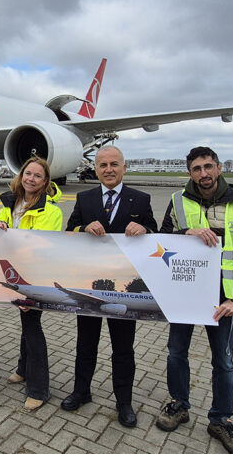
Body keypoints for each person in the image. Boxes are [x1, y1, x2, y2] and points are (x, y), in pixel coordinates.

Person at [156, 146, 233, 454]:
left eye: (207, 167)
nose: (203, 173)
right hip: (185, 294)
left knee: (224, 361)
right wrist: (186, 231)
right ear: (189, 173)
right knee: (176, 353)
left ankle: (220, 419)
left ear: (218, 168)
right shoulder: (178, 201)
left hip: (223, 299)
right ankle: (179, 404)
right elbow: (162, 242)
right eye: (196, 169)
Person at [63, 146, 157, 427]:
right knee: (86, 343)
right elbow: (70, 230)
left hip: (124, 290)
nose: (108, 169)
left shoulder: (140, 200)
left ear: (124, 167)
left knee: (123, 348)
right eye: (102, 165)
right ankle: (82, 391)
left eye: (114, 164)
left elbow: (155, 231)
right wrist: (83, 228)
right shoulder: (85, 198)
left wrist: (146, 230)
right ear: (97, 169)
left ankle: (124, 402)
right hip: (90, 285)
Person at [0, 156, 62, 410]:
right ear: (21, 176)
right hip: (14, 276)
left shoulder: (51, 211)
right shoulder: (8, 205)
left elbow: (46, 249)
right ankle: (23, 369)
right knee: (26, 324)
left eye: (37, 176)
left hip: (34, 278)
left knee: (33, 329)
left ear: (45, 182)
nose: (31, 179)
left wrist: (30, 289)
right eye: (28, 173)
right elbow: (0, 241)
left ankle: (39, 389)